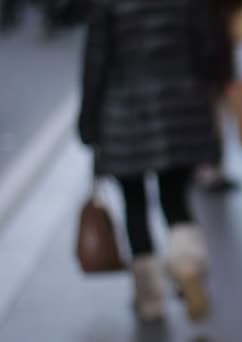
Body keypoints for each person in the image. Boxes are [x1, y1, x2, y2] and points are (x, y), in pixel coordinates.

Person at [77, 0, 232, 321]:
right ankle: (187, 263)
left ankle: (149, 297)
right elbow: (210, 49)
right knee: (175, 197)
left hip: (123, 109)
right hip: (180, 104)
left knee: (134, 205)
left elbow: (95, 62)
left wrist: (88, 121)